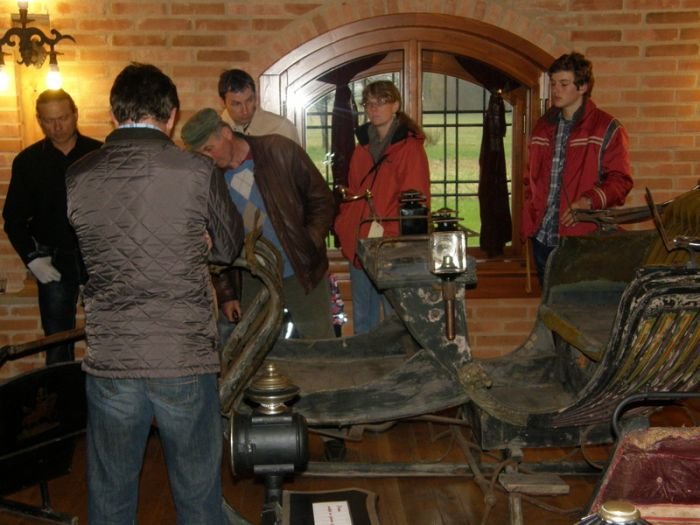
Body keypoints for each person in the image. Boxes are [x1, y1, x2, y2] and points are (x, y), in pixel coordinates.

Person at [65, 64, 244, 524]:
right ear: (171, 115)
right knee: (198, 496)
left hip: (111, 357)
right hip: (182, 354)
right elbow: (229, 246)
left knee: (110, 496)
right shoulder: (197, 169)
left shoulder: (78, 175)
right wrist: (200, 241)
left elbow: (84, 258)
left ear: (113, 114)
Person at [181, 108, 337, 340]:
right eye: (200, 153)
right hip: (252, 277)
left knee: (320, 344)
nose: (207, 158)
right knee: (256, 348)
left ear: (226, 133)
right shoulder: (208, 181)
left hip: (300, 271)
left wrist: (308, 241)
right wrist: (227, 295)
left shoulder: (278, 150)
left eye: (209, 149)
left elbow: (322, 200)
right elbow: (213, 241)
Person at [2, 89, 102, 365]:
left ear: (75, 115)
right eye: (49, 120)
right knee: (57, 342)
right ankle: (60, 394)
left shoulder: (99, 154)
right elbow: (13, 219)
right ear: (39, 120)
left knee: (107, 337)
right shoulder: (28, 161)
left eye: (63, 118)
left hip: (98, 256)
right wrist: (32, 258)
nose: (57, 127)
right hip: (53, 258)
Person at [521, 52, 633, 286]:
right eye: (553, 84)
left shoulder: (606, 128)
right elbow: (529, 178)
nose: (556, 90)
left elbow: (620, 181)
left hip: (581, 237)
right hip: (542, 237)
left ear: (582, 87)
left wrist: (587, 201)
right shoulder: (542, 126)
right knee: (548, 303)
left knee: (576, 303)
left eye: (564, 84)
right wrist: (529, 218)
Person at [334, 80, 431, 335]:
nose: (373, 109)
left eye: (381, 102)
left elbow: (415, 202)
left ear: (395, 105)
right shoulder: (362, 148)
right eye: (369, 103)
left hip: (392, 245)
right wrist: (346, 226)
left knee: (395, 319)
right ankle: (366, 362)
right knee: (363, 319)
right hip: (361, 239)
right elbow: (353, 193)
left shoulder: (409, 149)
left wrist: (393, 238)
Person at [218, 68, 300, 144]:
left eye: (249, 100)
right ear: (223, 103)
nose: (245, 111)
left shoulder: (283, 129)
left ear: (256, 97)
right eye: (236, 104)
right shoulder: (214, 133)